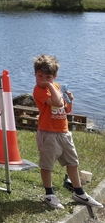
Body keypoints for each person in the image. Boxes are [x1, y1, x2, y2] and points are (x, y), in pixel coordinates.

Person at [32, 54, 103, 210]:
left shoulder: (57, 87)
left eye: (48, 76)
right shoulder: (39, 89)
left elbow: (64, 109)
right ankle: (49, 194)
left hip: (63, 132)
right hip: (48, 133)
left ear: (55, 76)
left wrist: (70, 99)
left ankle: (79, 192)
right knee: (47, 165)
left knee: (73, 162)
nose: (43, 79)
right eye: (39, 75)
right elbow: (56, 102)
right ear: (35, 74)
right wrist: (50, 85)